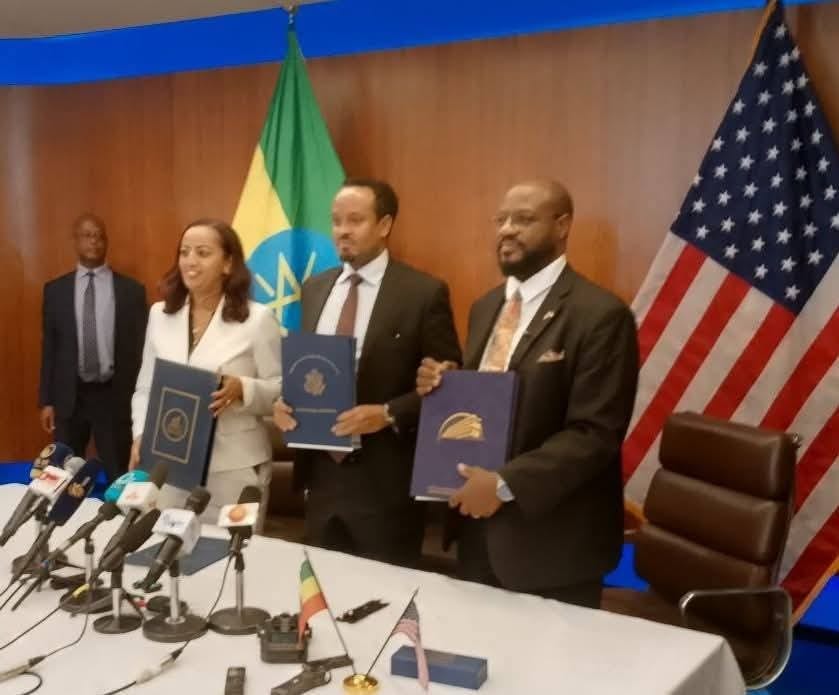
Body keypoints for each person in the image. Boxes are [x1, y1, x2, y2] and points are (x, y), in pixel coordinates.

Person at [417, 180, 639, 608]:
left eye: (523, 219)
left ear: (562, 226)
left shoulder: (601, 315)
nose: (507, 229)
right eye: (501, 220)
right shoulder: (486, 307)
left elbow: (595, 434)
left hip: (553, 548)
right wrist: (448, 386)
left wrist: (504, 484)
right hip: (476, 529)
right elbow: (493, 402)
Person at [273, 178, 461, 567]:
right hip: (321, 477)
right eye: (336, 220)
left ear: (384, 224)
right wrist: (283, 402)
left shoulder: (422, 293)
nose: (342, 230)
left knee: (383, 598)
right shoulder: (314, 289)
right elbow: (308, 371)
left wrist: (389, 413)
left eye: (355, 220)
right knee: (321, 591)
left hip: (386, 483)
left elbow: (448, 389)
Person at [130, 219, 283, 518]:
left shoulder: (258, 319)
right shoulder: (160, 315)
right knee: (168, 545)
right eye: (184, 252)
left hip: (234, 469)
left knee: (228, 549)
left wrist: (244, 389)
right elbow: (145, 388)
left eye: (202, 253)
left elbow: (281, 390)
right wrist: (141, 435)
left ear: (228, 264)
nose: (190, 261)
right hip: (170, 465)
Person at [38, 213, 147, 481]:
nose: (94, 241)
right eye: (87, 235)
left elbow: (142, 349)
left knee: (118, 471)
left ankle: (119, 508)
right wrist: (47, 401)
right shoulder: (55, 291)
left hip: (113, 395)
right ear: (75, 241)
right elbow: (50, 347)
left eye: (99, 236)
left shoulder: (131, 291)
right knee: (64, 473)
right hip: (70, 395)